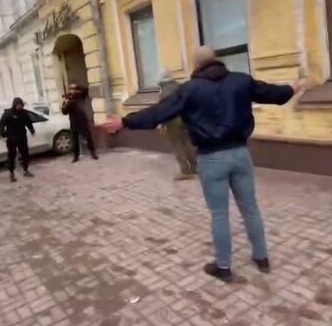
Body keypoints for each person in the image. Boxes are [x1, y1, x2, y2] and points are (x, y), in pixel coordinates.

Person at [100, 46, 305, 281]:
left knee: (219, 214)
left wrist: (125, 121)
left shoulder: (190, 90)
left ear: (196, 65)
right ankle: (262, 258)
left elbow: (159, 112)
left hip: (211, 158)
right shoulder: (241, 81)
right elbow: (274, 94)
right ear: (216, 60)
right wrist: (294, 87)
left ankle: (224, 267)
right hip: (240, 154)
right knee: (250, 208)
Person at [157, 68, 197, 181]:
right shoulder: (180, 86)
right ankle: (195, 167)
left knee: (177, 145)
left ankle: (185, 170)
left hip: (173, 121)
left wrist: (162, 125)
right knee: (187, 143)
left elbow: (164, 110)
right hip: (185, 119)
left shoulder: (164, 93)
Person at [0, 97, 35, 182]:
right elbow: (1, 123)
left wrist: (32, 131)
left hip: (22, 137)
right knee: (11, 156)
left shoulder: (24, 113)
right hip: (11, 138)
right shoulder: (8, 113)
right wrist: (2, 133)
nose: (19, 106)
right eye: (17, 105)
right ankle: (11, 174)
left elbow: (28, 122)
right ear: (14, 105)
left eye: (20, 105)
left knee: (25, 154)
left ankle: (26, 170)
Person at [62, 82, 98, 162]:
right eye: (70, 89)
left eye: (72, 89)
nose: (71, 91)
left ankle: (93, 153)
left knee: (88, 137)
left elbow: (85, 89)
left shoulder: (80, 96)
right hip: (74, 122)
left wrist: (76, 86)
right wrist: (65, 104)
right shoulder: (68, 100)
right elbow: (64, 112)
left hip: (83, 120)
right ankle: (76, 156)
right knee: (75, 140)